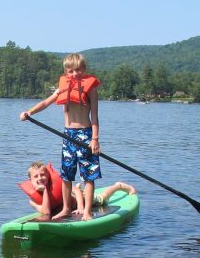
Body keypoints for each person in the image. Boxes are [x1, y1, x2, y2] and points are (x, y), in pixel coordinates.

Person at [19, 53, 103, 221]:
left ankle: (86, 212)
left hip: (85, 134)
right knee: (66, 174)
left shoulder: (91, 88)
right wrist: (30, 112)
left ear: (84, 69)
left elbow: (94, 116)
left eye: (78, 70)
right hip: (68, 135)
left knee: (88, 174)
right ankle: (65, 208)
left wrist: (95, 139)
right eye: (70, 71)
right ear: (66, 72)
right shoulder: (63, 87)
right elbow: (46, 102)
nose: (74, 74)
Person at [21, 161, 136, 220]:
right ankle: (77, 187)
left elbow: (76, 194)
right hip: (72, 204)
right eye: (36, 177)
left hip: (82, 200)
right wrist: (45, 191)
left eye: (42, 175)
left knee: (102, 198)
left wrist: (81, 207)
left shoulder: (57, 187)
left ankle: (118, 186)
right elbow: (46, 212)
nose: (40, 178)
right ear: (30, 180)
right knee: (75, 190)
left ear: (48, 176)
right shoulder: (32, 200)